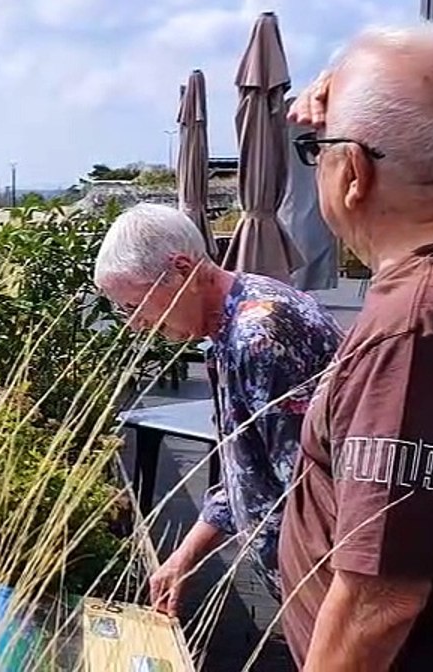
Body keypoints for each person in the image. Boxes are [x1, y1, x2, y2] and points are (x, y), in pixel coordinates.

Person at [279, 23, 433, 669]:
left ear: (352, 172)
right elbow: (431, 101)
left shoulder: (411, 332)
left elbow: (378, 603)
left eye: (316, 152)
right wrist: (358, 85)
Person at [94, 203, 342, 615]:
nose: (134, 325)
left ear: (182, 268)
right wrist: (184, 557)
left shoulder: (257, 336)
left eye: (134, 306)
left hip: (325, 588)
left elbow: (309, 493)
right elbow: (247, 469)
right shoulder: (236, 319)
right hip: (309, 586)